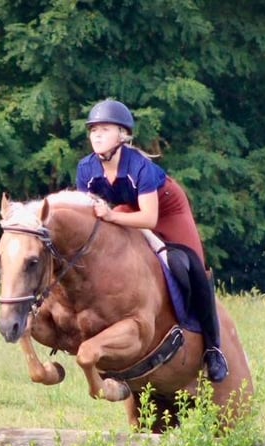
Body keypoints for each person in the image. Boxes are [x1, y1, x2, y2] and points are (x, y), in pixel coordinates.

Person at [76, 99, 228, 382]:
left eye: (105, 129)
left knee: (190, 265)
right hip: (124, 209)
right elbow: (87, 215)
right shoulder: (86, 169)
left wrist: (110, 216)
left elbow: (148, 219)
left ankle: (213, 348)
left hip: (167, 211)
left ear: (122, 135)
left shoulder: (140, 167)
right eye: (93, 130)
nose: (96, 135)